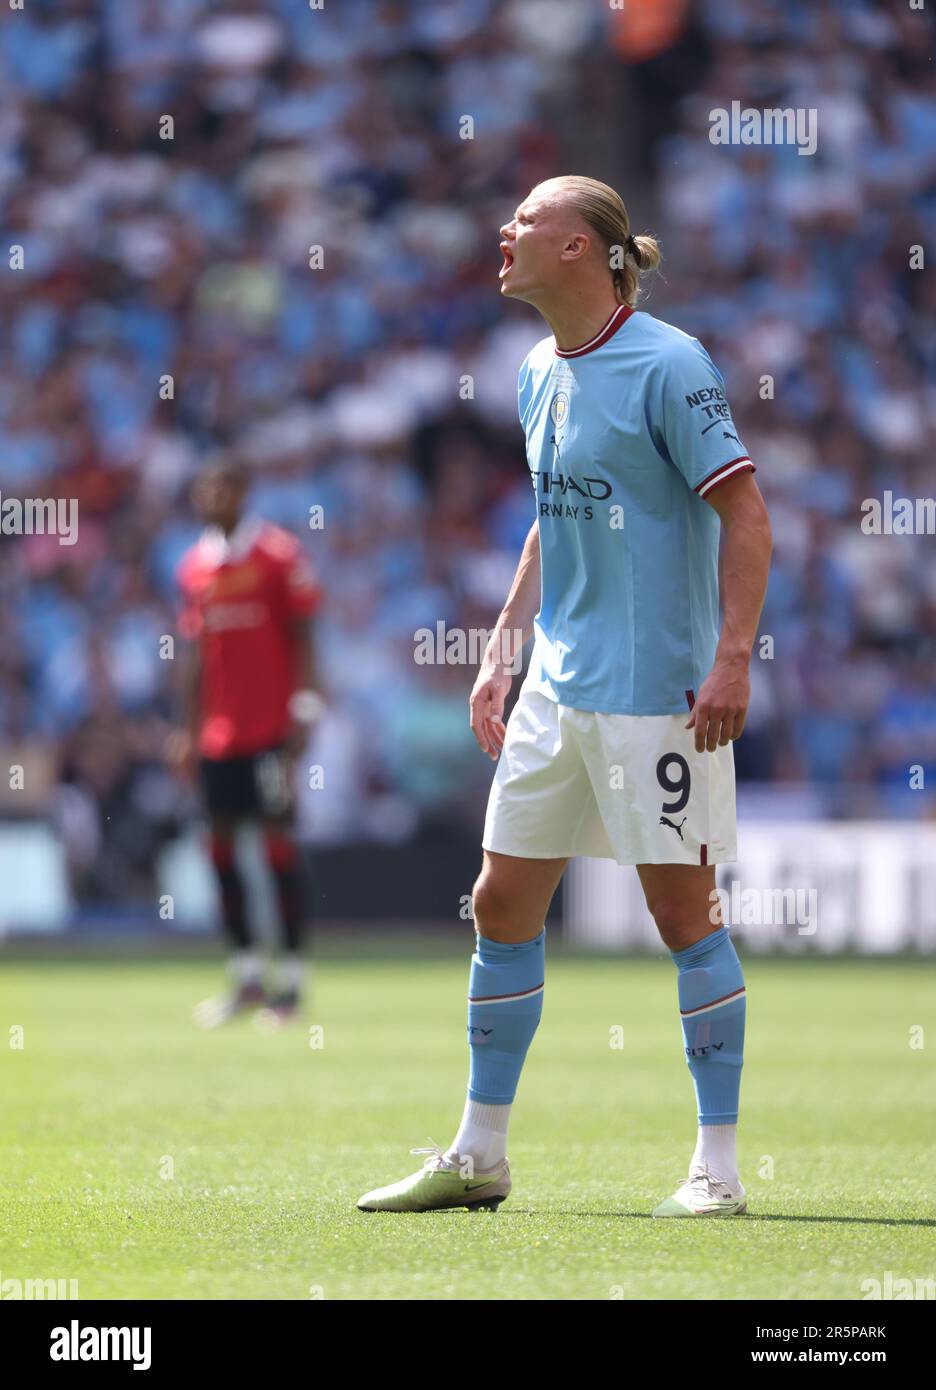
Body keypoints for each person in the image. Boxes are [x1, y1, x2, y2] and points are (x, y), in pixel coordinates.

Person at [357, 175, 771, 1216]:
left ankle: (716, 1170)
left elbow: (748, 516)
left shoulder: (671, 365)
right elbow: (553, 516)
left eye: (527, 221)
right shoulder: (538, 369)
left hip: (657, 693)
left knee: (682, 913)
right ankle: (477, 1154)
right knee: (500, 899)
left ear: (583, 248)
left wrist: (732, 660)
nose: (505, 231)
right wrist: (502, 650)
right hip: (557, 684)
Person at [170, 453, 323, 1027]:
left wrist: (304, 708)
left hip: (269, 733)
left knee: (278, 846)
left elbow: (305, 635)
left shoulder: (279, 556)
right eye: (205, 487)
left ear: (243, 490)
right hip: (218, 737)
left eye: (223, 486)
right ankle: (247, 975)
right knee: (220, 849)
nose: (212, 496)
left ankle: (294, 983)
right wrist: (186, 732)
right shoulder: (194, 568)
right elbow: (195, 659)